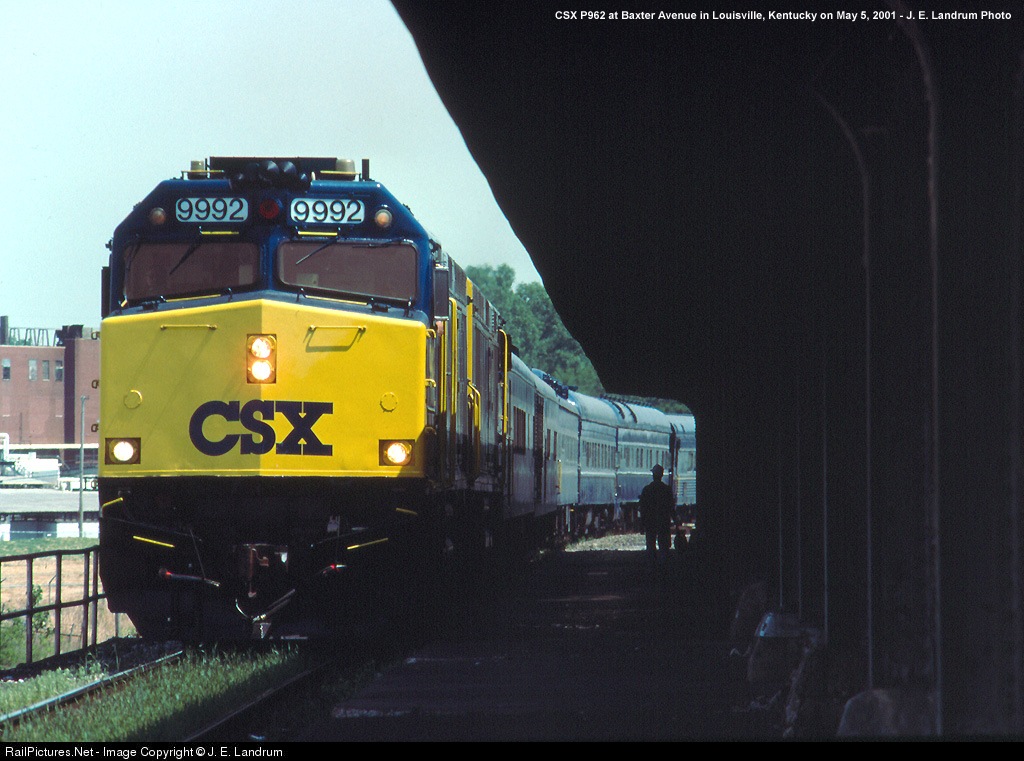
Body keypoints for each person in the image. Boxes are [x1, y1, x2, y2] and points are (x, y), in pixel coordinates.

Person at [639, 463, 675, 566]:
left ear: (653, 475)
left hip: (650, 521)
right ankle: (663, 566)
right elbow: (671, 507)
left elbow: (643, 508)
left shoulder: (647, 490)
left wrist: (642, 523)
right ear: (662, 475)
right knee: (664, 546)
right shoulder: (667, 490)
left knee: (650, 545)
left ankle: (652, 565)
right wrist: (675, 520)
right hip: (663, 521)